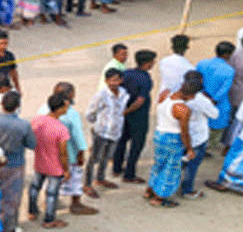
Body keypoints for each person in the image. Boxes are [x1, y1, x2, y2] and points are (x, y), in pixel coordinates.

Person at [37, 83, 97, 216]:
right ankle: (76, 204)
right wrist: (81, 154)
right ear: (69, 96)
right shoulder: (71, 114)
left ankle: (49, 201)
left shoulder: (43, 108)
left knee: (51, 179)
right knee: (74, 177)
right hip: (68, 154)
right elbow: (78, 136)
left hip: (48, 154)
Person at [0, 91, 35, 232]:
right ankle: (8, 228)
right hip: (15, 164)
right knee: (11, 197)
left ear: (2, 104)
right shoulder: (23, 125)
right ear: (17, 106)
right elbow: (32, 144)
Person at [144, 79, 196, 208]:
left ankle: (149, 190)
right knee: (171, 169)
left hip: (159, 135)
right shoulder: (183, 109)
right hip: (173, 139)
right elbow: (184, 132)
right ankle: (159, 197)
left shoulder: (165, 94)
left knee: (158, 164)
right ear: (191, 95)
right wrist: (189, 149)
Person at [27, 93, 73, 228]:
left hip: (39, 162)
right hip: (55, 167)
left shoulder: (37, 120)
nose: (67, 108)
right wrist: (66, 170)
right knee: (52, 193)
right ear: (59, 109)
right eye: (65, 107)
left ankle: (32, 211)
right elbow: (63, 153)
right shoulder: (61, 129)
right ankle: (49, 220)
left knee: (35, 187)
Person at [84, 68, 129, 198]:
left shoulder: (123, 93)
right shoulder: (101, 96)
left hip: (115, 132)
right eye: (111, 80)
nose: (114, 83)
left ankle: (100, 178)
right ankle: (87, 184)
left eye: (117, 80)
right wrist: (98, 124)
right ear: (106, 81)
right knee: (94, 159)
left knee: (107, 156)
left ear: (121, 80)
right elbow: (90, 114)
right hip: (101, 133)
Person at [113, 49, 156, 183]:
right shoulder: (146, 79)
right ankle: (129, 174)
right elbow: (140, 101)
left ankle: (116, 168)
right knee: (136, 145)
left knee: (121, 141)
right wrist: (128, 111)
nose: (153, 63)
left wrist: (122, 110)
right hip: (139, 116)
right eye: (152, 61)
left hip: (124, 113)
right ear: (147, 63)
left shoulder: (127, 73)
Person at [180, 71, 218, 199]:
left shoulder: (176, 93)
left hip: (181, 134)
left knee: (179, 160)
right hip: (197, 137)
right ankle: (187, 190)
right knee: (192, 165)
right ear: (200, 82)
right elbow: (215, 114)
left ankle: (170, 183)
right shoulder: (201, 100)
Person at [196, 41, 236, 149]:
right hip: (219, 105)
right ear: (227, 54)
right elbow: (224, 89)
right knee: (216, 131)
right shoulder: (229, 70)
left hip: (201, 100)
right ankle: (204, 148)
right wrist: (214, 100)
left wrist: (203, 94)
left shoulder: (202, 63)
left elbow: (196, 80)